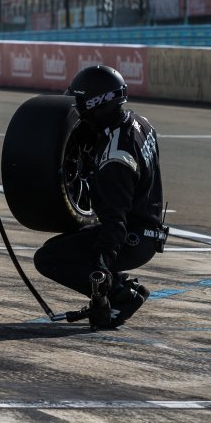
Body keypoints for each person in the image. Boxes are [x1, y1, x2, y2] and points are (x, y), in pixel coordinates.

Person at [34, 65, 165, 330]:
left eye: (82, 103)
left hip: (132, 237)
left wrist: (102, 268)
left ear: (97, 104)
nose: (79, 110)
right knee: (61, 246)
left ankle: (121, 296)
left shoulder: (114, 161)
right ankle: (124, 285)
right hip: (148, 229)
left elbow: (115, 223)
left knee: (48, 258)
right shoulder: (139, 123)